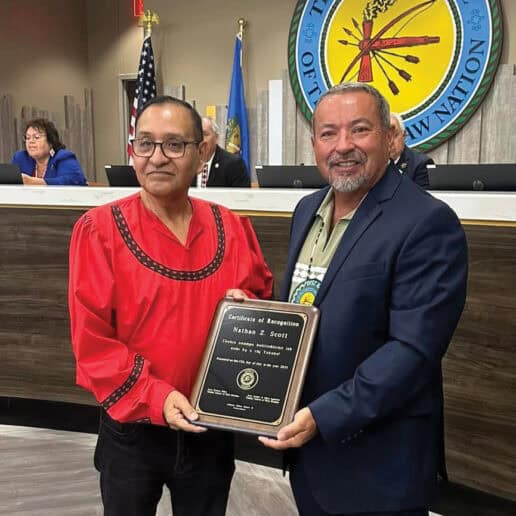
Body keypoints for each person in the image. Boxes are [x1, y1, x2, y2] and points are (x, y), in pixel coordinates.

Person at [259, 83, 468, 516]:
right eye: (328, 133)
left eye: (359, 130)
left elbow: (412, 350)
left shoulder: (428, 222)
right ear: (314, 143)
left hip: (378, 462)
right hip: (310, 453)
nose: (343, 146)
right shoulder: (306, 209)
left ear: (390, 139)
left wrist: (323, 415)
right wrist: (253, 316)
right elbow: (307, 309)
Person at [68, 95, 273, 516]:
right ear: (133, 151)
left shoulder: (231, 227)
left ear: (201, 154)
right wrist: (155, 396)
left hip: (210, 427)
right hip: (132, 431)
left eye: (174, 144)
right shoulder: (98, 231)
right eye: (145, 143)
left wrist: (248, 311)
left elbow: (261, 303)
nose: (157, 157)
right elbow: (92, 343)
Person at [12, 118, 87, 185]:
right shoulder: (21, 158)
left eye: (36, 137)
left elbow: (74, 180)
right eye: (28, 138)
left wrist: (35, 182)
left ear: (50, 141)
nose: (31, 141)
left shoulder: (63, 157)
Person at [194, 116, 250, 187]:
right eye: (197, 135)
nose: (201, 139)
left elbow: (241, 197)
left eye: (205, 134)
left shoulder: (233, 164)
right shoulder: (188, 163)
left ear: (216, 138)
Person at [389, 113, 433, 189]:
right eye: (386, 136)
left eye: (395, 135)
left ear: (404, 135)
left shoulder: (420, 164)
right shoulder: (370, 163)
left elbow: (422, 199)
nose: (391, 142)